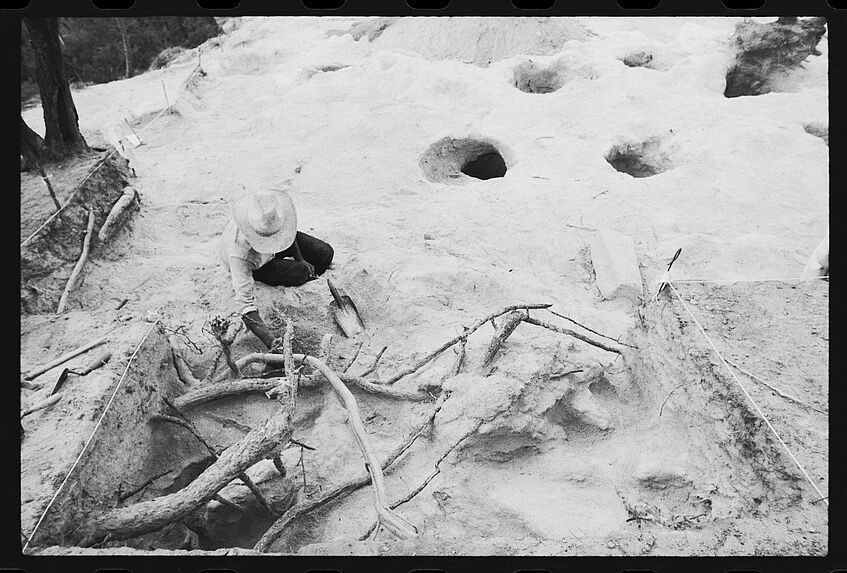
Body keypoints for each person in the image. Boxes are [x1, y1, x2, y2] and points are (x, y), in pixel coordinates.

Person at [218, 188, 333, 349]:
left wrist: (301, 258)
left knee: (325, 253)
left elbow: (287, 233)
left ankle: (298, 262)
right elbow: (245, 306)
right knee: (300, 273)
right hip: (259, 265)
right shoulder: (240, 256)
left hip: (274, 249)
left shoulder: (269, 214)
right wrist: (270, 340)